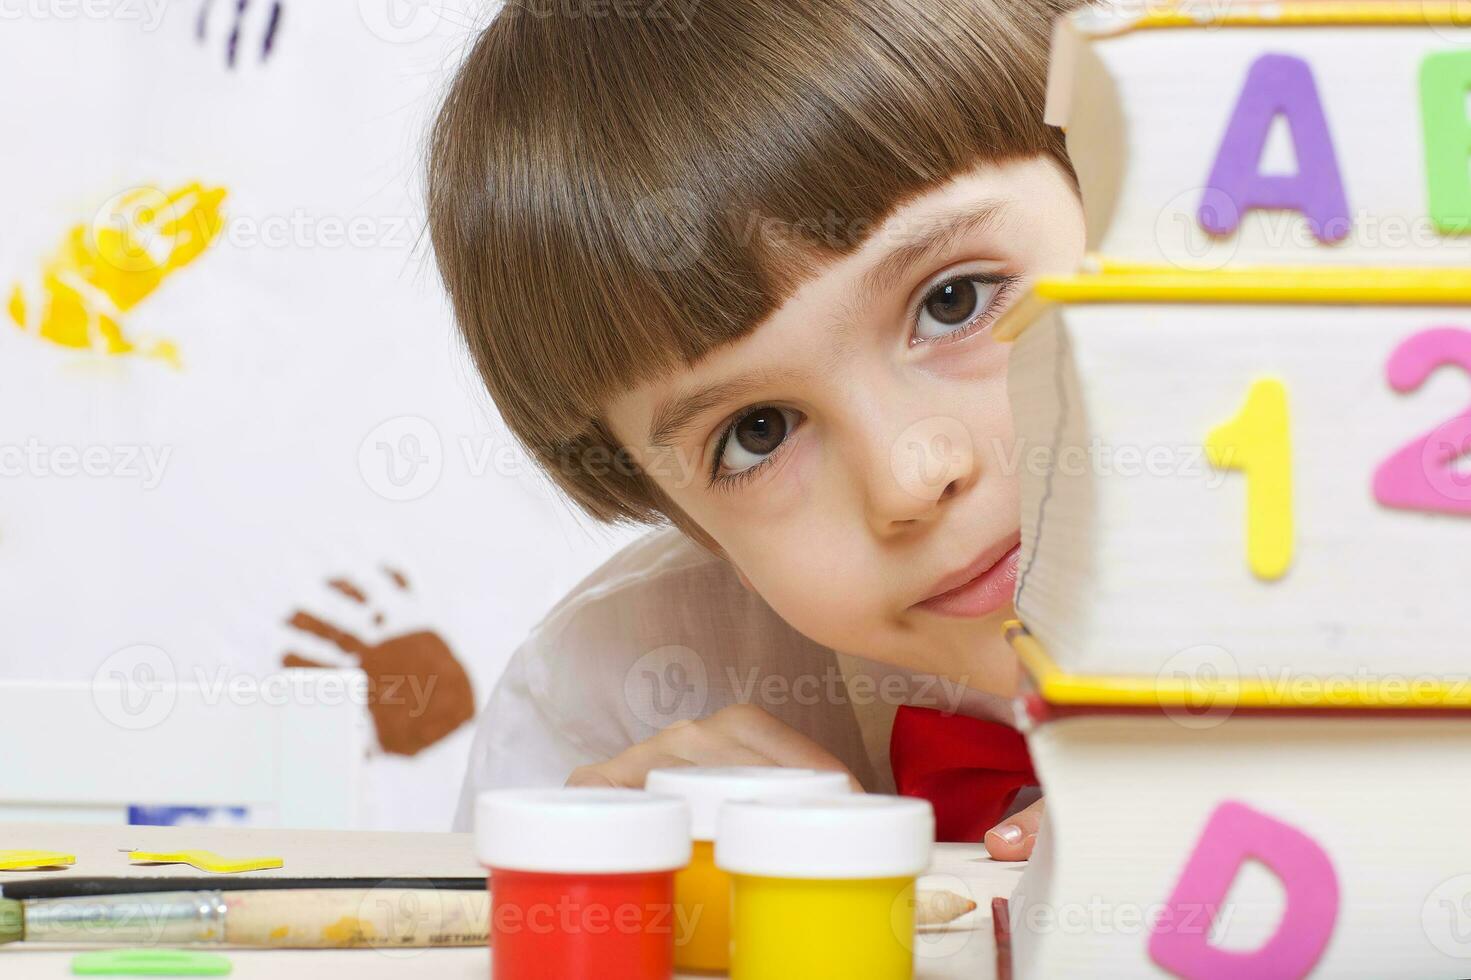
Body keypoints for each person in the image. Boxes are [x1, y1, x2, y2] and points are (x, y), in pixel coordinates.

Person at [428, 0, 1086, 860]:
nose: (907, 478)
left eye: (951, 300)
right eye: (759, 433)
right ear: (670, 505)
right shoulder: (623, 691)